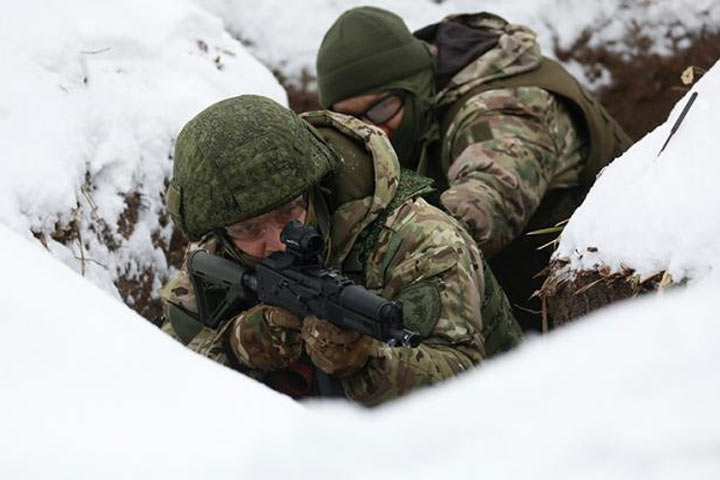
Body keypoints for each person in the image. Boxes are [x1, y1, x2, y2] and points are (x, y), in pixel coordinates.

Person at [159, 95, 522, 406]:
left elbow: (469, 384)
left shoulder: (421, 239)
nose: (275, 241)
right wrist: (240, 345)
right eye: (248, 228)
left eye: (289, 212)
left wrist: (368, 363)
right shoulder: (220, 248)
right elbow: (156, 381)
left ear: (316, 187)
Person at [315, 7, 633, 330]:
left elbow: (486, 200)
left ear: (412, 85)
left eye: (383, 109)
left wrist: (383, 259)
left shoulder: (499, 109)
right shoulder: (418, 110)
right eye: (353, 121)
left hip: (620, 289)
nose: (375, 131)